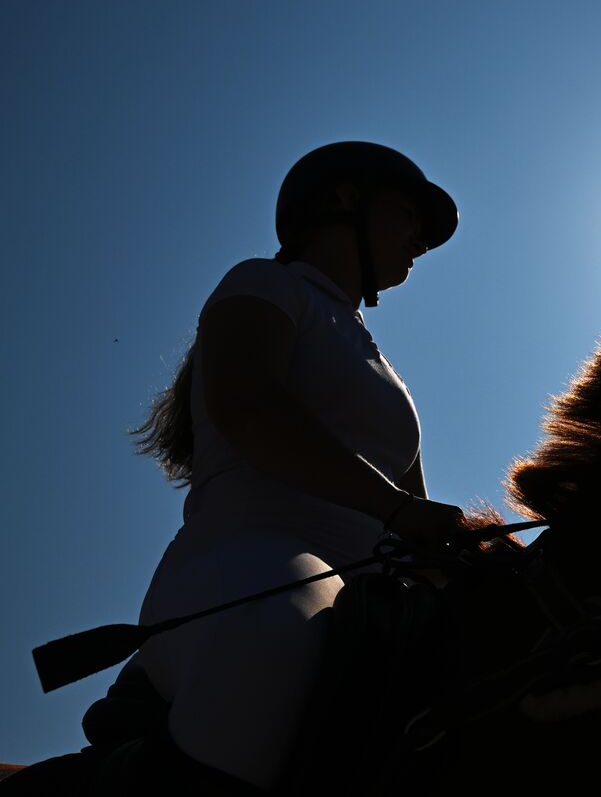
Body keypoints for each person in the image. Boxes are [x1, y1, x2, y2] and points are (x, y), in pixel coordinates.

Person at [126, 141, 472, 791]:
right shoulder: (263, 283)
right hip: (241, 571)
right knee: (284, 627)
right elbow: (248, 406)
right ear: (344, 201)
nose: (419, 239)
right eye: (408, 214)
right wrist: (396, 509)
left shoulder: (389, 380)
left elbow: (421, 522)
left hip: (370, 602)